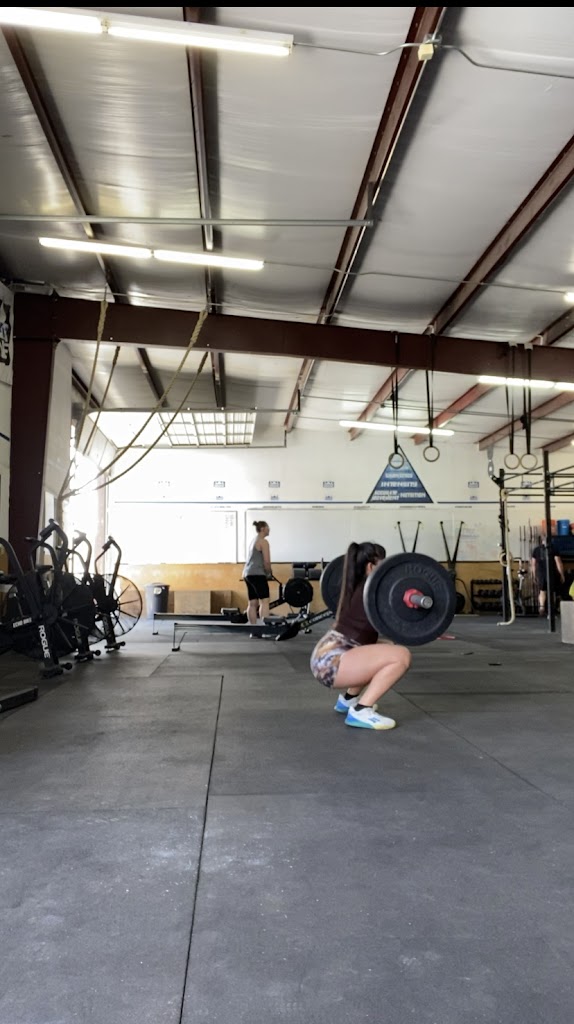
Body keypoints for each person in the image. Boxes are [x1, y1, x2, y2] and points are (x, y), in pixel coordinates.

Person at [310, 541, 411, 731]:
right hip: (331, 663)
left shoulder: (359, 587)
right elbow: (400, 619)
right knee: (402, 656)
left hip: (327, 655)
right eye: (383, 564)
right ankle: (361, 710)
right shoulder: (371, 592)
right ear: (370, 567)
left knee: (388, 647)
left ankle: (349, 700)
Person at [243, 521, 273, 625]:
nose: (269, 529)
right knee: (264, 601)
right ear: (263, 529)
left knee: (252, 603)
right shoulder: (263, 542)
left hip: (247, 574)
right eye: (268, 527)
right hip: (257, 574)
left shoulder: (253, 541)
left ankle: (253, 628)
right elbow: (267, 562)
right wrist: (269, 573)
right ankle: (264, 628)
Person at [531, 539, 565, 616]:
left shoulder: (536, 550)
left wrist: (534, 575)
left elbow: (533, 564)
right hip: (551, 573)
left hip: (541, 574)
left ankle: (542, 607)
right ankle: (552, 610)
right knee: (552, 592)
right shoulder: (553, 548)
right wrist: (562, 574)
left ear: (542, 541)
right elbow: (558, 562)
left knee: (542, 591)